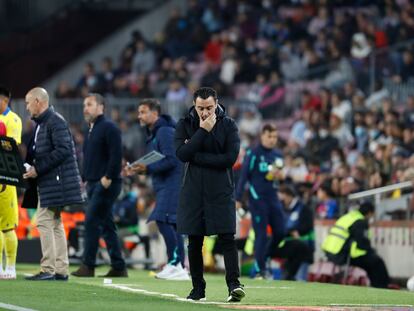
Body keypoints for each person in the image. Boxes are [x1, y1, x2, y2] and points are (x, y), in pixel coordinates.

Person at [174, 87, 245, 302]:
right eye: (200, 108)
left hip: (220, 191)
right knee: (194, 240)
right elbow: (182, 154)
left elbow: (229, 159)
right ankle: (198, 290)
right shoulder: (184, 123)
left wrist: (196, 155)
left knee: (227, 238)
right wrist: (203, 130)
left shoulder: (229, 125)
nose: (204, 112)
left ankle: (234, 285)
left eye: (209, 108)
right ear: (194, 105)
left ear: (217, 104)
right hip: (193, 191)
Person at [23, 87, 83, 281]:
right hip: (52, 181)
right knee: (55, 224)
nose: (26, 107)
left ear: (38, 102)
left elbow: (64, 150)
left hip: (57, 182)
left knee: (43, 220)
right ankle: (61, 269)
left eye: (28, 102)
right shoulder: (44, 123)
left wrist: (38, 169)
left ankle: (48, 268)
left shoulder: (55, 121)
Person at [126, 98, 188, 280]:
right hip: (166, 184)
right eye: (139, 112)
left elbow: (172, 160)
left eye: (143, 111)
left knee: (162, 219)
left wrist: (147, 168)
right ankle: (178, 266)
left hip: (172, 183)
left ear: (155, 113)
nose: (139, 115)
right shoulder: (156, 133)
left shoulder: (164, 132)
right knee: (171, 223)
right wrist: (141, 168)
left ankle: (176, 264)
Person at [72, 93, 127, 278]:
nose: (85, 108)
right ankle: (118, 266)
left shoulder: (109, 127)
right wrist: (85, 177)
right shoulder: (92, 129)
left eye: (89, 104)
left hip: (106, 183)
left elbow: (116, 154)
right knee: (106, 225)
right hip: (94, 182)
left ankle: (88, 265)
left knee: (91, 222)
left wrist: (108, 177)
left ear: (101, 106)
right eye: (84, 105)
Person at [235, 124, 286, 278]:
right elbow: (244, 175)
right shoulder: (254, 153)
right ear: (263, 136)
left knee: (281, 232)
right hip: (257, 199)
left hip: (273, 198)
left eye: (275, 137)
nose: (272, 140)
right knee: (261, 234)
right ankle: (259, 270)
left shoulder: (278, 155)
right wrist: (238, 198)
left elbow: (281, 177)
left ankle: (264, 257)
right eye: (270, 136)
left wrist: (280, 176)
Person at [322, 201, 390, 288]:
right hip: (343, 255)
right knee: (377, 262)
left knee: (372, 261)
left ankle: (377, 285)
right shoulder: (360, 222)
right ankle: (381, 286)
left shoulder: (348, 217)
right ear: (369, 213)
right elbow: (362, 243)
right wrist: (372, 251)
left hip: (330, 252)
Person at [0, 86, 22, 279]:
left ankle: (11, 267)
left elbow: (11, 149)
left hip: (5, 179)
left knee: (7, 226)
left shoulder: (13, 120)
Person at [277, 185, 314, 281]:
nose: (281, 201)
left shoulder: (303, 208)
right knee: (288, 278)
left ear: (288, 195)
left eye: (282, 198)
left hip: (304, 247)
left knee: (300, 278)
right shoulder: (284, 209)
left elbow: (308, 226)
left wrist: (294, 231)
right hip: (290, 249)